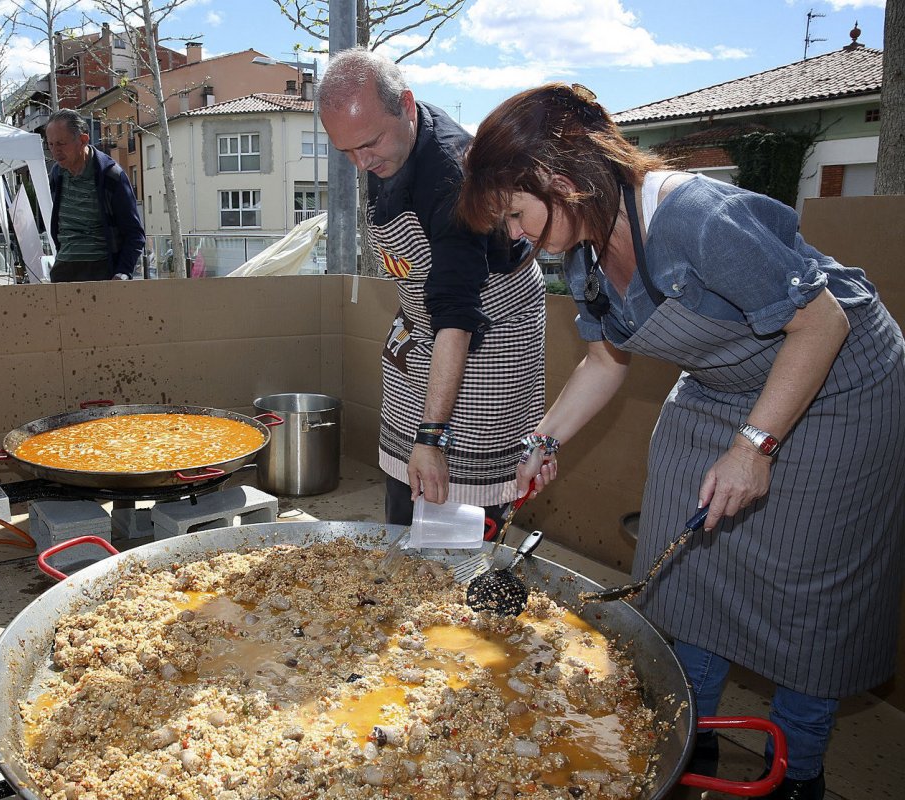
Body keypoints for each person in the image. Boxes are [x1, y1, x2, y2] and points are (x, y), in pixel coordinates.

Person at [457, 82, 905, 799]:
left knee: (809, 600)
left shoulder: (697, 217)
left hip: (838, 385)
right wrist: (540, 442)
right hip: (721, 381)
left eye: (515, 213)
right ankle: (685, 736)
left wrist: (753, 446)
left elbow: (822, 324)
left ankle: (798, 772)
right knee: (680, 559)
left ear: (563, 180)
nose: (514, 234)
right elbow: (606, 360)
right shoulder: (585, 246)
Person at [316, 48, 545, 529]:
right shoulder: (384, 147)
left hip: (488, 334)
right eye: (346, 152)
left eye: (370, 144)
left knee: (456, 497)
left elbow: (458, 316)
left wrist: (434, 436)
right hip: (425, 327)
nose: (360, 163)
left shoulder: (452, 177)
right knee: (406, 474)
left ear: (407, 104)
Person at [44, 109, 144, 282]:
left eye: (61, 143)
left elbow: (135, 234)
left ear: (83, 140)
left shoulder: (111, 176)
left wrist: (122, 273)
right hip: (62, 271)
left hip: (101, 272)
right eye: (50, 145)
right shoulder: (57, 174)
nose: (55, 152)